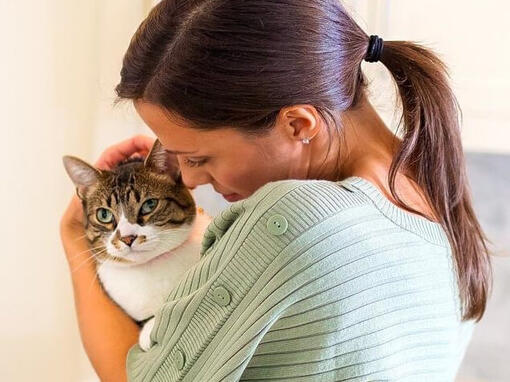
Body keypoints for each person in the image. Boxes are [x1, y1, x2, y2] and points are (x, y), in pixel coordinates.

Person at [59, 1, 493, 381]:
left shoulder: (290, 217)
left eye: (198, 158)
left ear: (298, 124)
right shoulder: (436, 194)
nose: (188, 181)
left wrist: (74, 233)